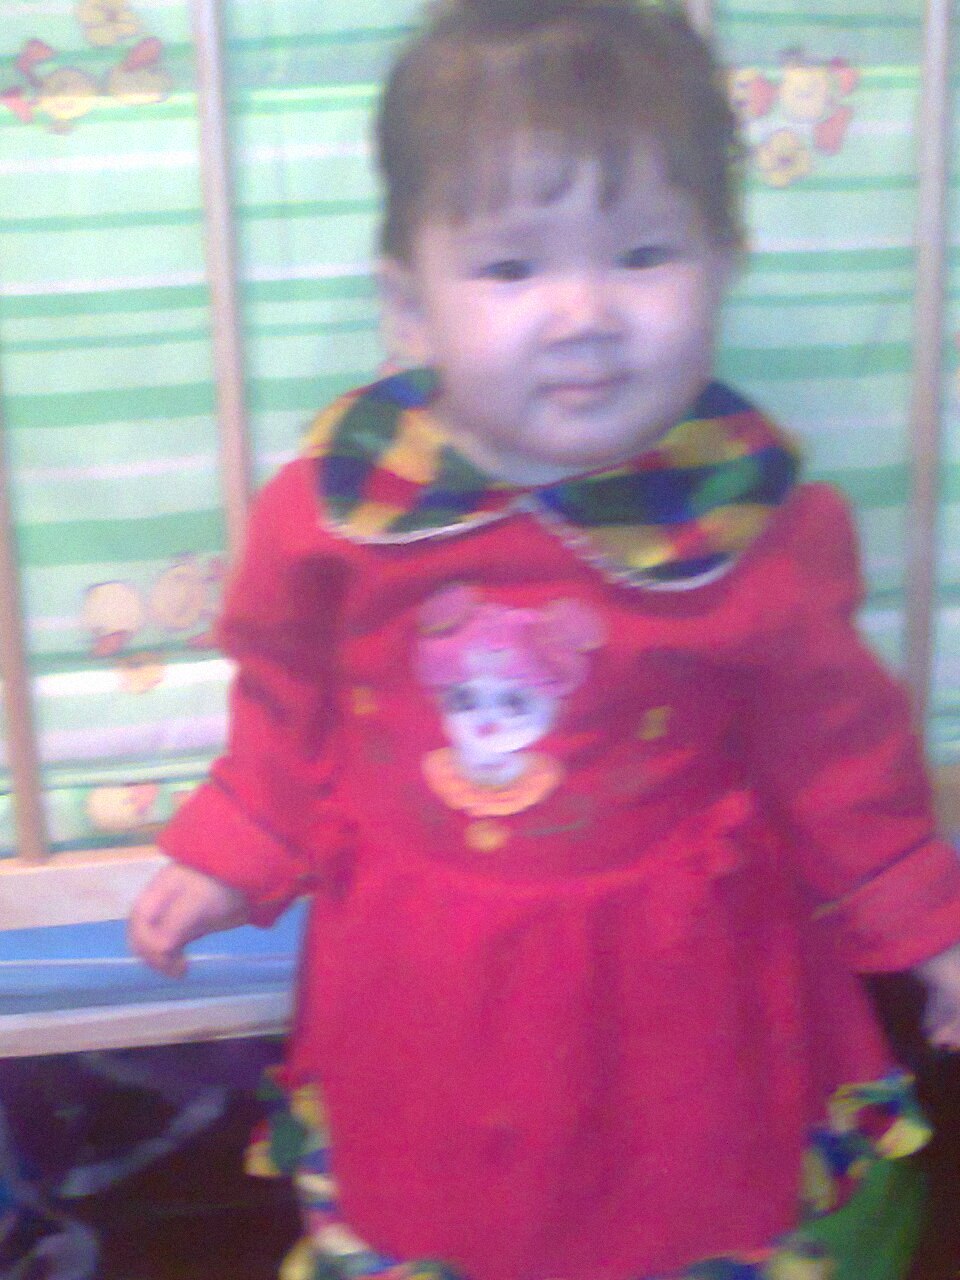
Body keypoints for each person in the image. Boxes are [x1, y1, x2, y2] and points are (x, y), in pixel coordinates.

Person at [129, 2, 960, 1277]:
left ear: (725, 264)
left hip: (679, 989)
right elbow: (287, 700)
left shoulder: (755, 527)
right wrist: (236, 843)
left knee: (681, 1208)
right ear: (409, 306)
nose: (583, 313)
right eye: (512, 268)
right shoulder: (342, 510)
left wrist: (929, 925)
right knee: (438, 1203)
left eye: (643, 253)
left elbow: (845, 758)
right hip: (425, 986)